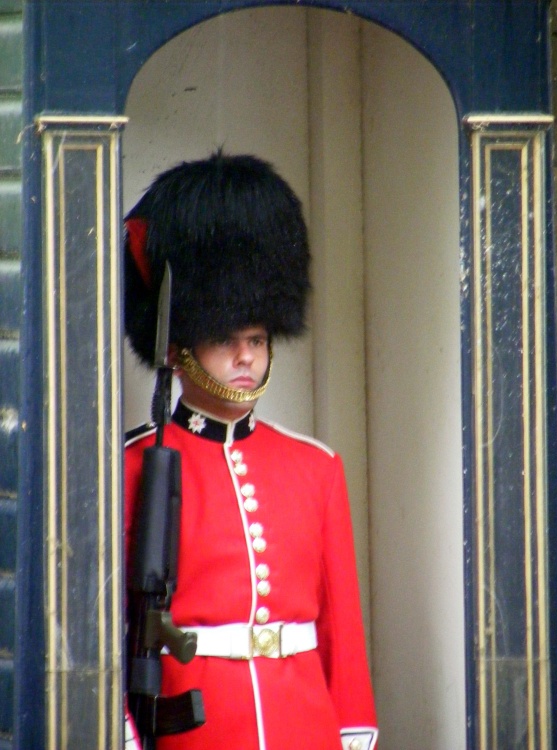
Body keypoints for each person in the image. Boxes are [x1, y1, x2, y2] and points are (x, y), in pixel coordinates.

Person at [123, 152, 378, 750]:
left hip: (305, 726)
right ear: (180, 351)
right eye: (224, 339)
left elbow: (341, 629)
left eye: (257, 340)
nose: (245, 358)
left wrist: (354, 733)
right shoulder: (133, 466)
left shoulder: (316, 467)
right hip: (200, 731)